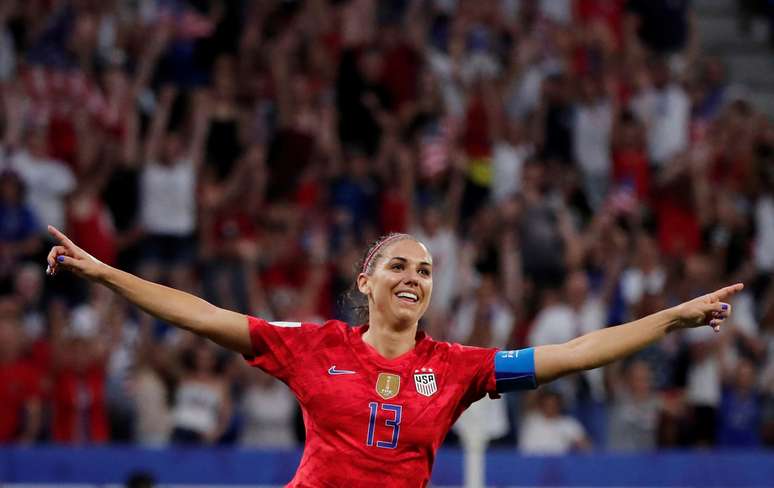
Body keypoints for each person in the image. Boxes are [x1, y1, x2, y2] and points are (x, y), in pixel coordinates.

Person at [44, 226, 742, 487]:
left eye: (426, 270)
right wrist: (104, 273)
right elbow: (202, 315)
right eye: (399, 265)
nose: (414, 277)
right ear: (365, 282)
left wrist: (670, 320)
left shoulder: (460, 367)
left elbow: (575, 353)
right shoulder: (313, 346)